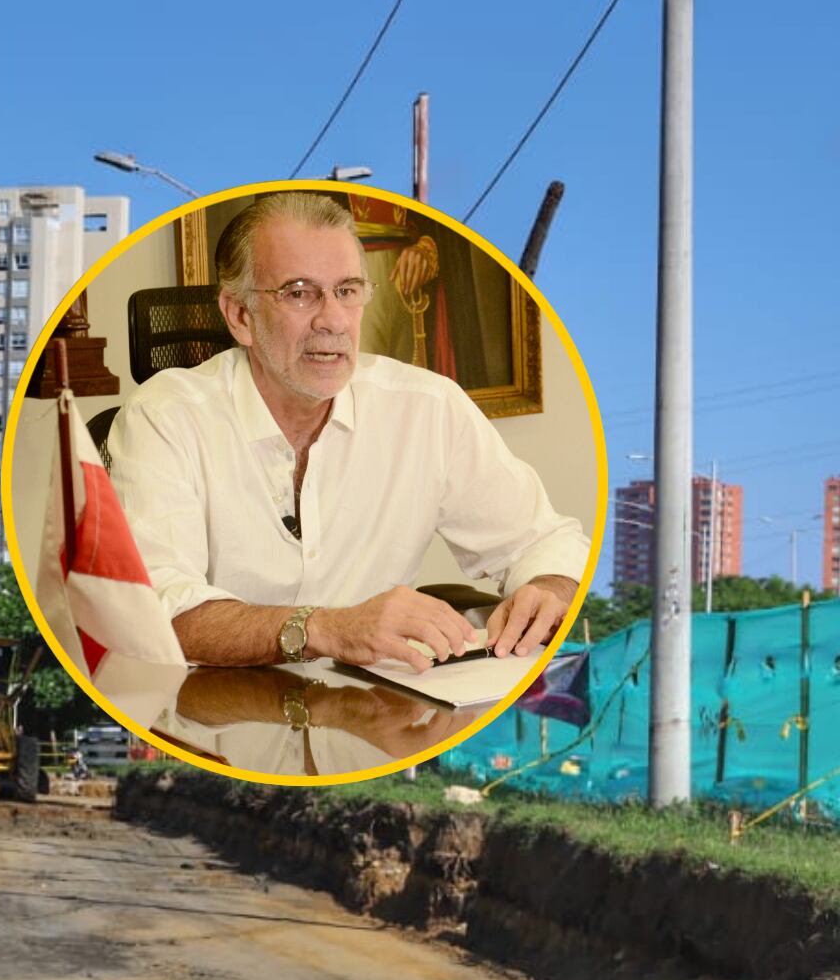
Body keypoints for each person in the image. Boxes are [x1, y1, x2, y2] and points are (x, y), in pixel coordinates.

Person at [105, 190, 589, 674]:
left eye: (348, 290)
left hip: (373, 713)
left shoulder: (428, 408)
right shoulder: (163, 417)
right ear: (240, 316)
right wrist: (325, 629)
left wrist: (548, 587)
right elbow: (154, 614)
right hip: (210, 717)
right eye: (298, 292)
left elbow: (543, 541)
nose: (333, 320)